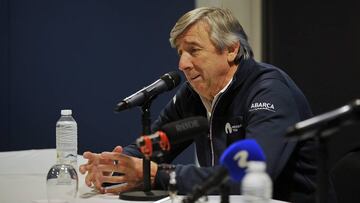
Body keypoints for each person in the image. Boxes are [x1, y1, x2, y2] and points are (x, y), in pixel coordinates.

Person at [79, 7, 317, 202]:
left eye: (193, 50)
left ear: (232, 49)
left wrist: (157, 174)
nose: (183, 64)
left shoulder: (269, 92)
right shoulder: (193, 94)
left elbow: (246, 177)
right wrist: (115, 166)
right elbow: (154, 147)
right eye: (180, 52)